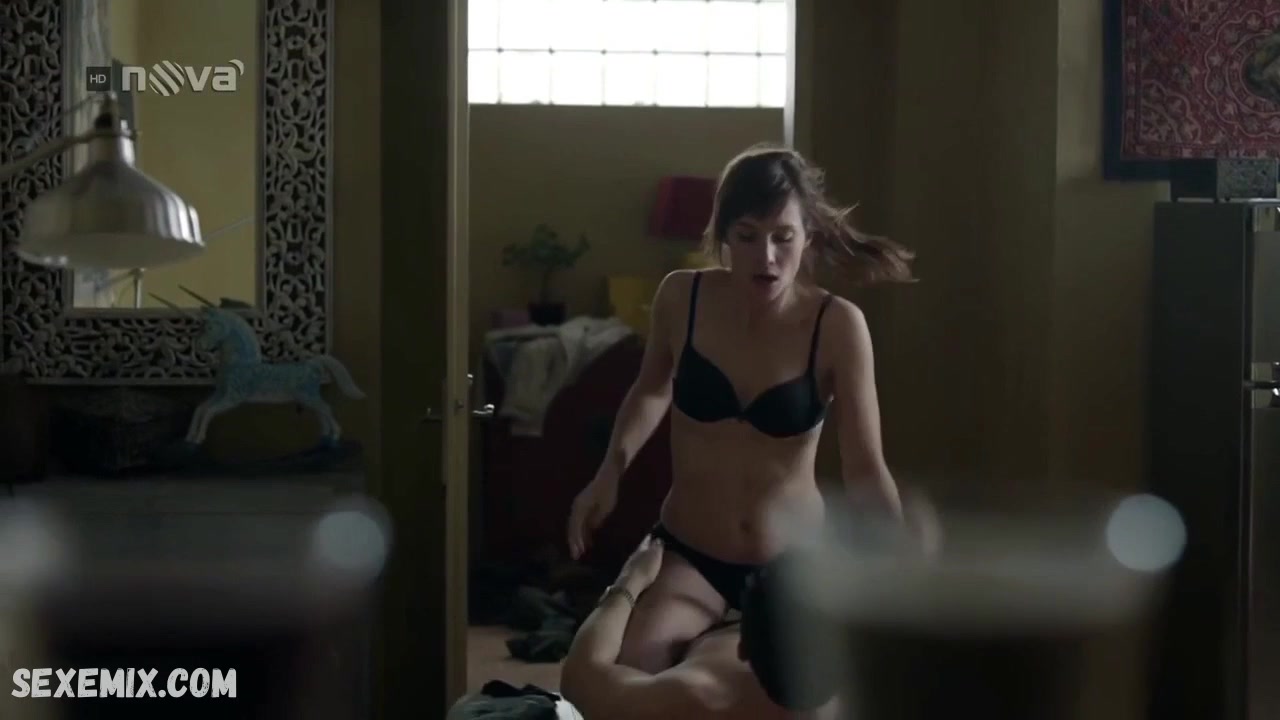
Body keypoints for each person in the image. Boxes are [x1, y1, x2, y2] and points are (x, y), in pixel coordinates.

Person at [565, 143, 917, 672]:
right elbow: (651, 389)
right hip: (691, 554)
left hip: (790, 565)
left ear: (808, 235)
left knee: (787, 693)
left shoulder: (837, 325)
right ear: (724, 235)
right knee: (635, 667)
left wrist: (904, 569)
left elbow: (865, 468)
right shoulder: (682, 298)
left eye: (783, 237)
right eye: (748, 236)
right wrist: (608, 472)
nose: (766, 256)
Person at [559, 537, 841, 720]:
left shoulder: (701, 697)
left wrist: (629, 581)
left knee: (637, 658)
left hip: (700, 570)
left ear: (743, 648)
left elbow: (581, 678)